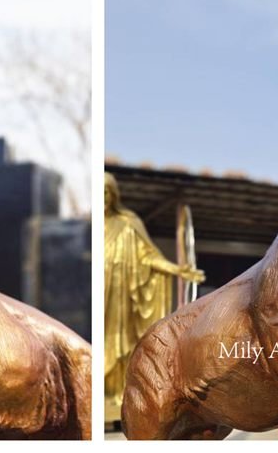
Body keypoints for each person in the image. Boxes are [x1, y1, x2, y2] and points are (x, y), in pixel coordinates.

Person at [104, 172, 204, 423]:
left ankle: (119, 395)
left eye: (106, 192)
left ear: (113, 195)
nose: (103, 198)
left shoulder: (127, 224)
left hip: (121, 297)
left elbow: (148, 257)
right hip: (98, 294)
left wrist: (177, 269)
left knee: (122, 343)